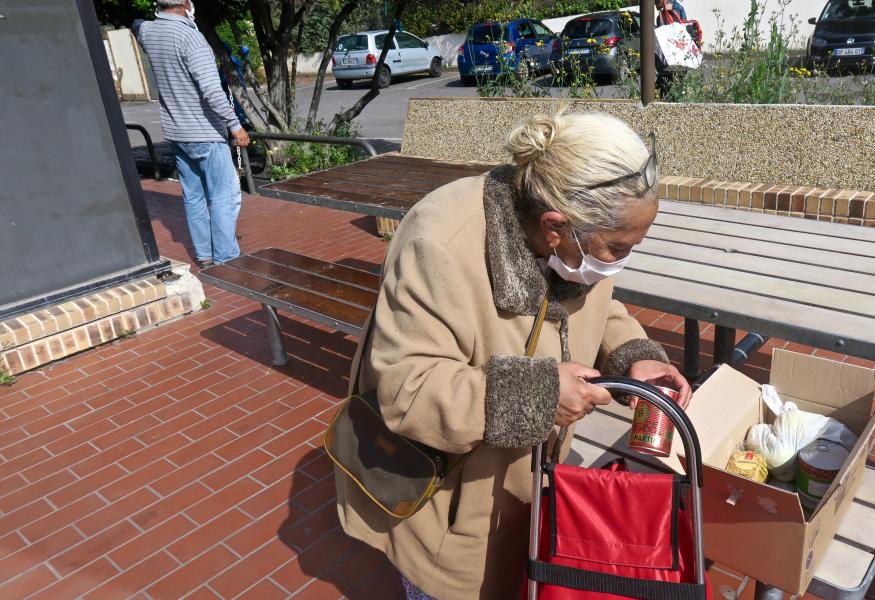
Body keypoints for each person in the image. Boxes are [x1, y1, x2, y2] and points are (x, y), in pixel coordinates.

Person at [335, 108, 692, 600]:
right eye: (616, 248)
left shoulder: (570, 231)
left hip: (531, 487)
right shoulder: (439, 241)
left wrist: (632, 354)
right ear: (555, 227)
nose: (621, 261)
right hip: (451, 506)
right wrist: (541, 394)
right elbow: (408, 391)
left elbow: (596, 305)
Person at [132, 0, 250, 268]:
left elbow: (136, 24)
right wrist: (235, 125)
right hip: (205, 131)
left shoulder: (149, 32)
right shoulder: (191, 38)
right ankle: (226, 258)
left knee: (194, 195)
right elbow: (211, 91)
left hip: (176, 133)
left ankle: (205, 255)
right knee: (224, 196)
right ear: (186, 4)